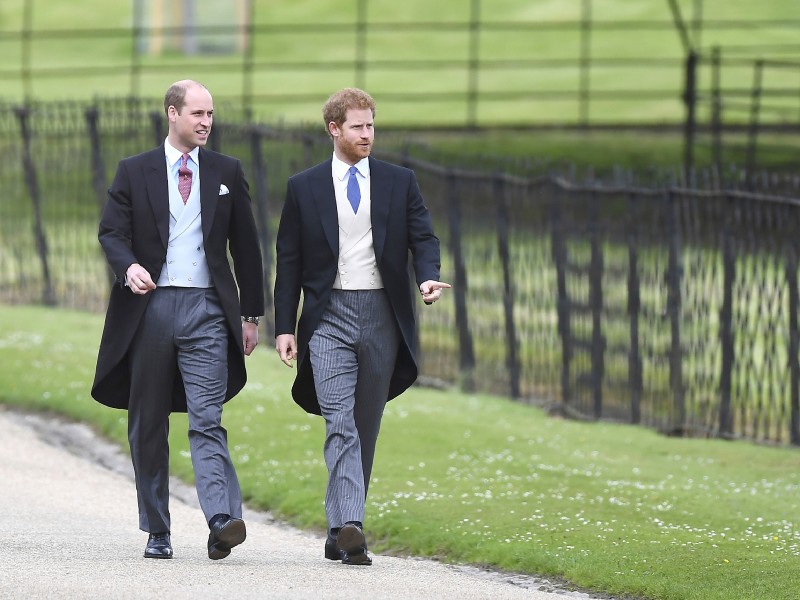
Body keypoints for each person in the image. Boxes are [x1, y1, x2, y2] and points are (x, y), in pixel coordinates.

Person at [273, 87, 450, 566]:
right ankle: (353, 526)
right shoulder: (304, 186)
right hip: (327, 317)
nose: (367, 134)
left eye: (371, 125)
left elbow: (423, 235)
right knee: (341, 422)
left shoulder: (399, 181)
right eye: (357, 126)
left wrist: (428, 276)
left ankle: (338, 530)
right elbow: (287, 260)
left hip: (382, 317)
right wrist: (284, 325)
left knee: (365, 425)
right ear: (334, 129)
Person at [91, 80, 264, 561]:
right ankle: (157, 529)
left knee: (208, 418)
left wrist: (251, 315)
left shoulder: (226, 171)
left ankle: (221, 519)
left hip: (208, 310)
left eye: (211, 114)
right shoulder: (134, 171)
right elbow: (111, 231)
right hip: (150, 311)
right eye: (198, 114)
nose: (207, 122)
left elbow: (246, 247)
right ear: (173, 114)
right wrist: (128, 267)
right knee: (148, 421)